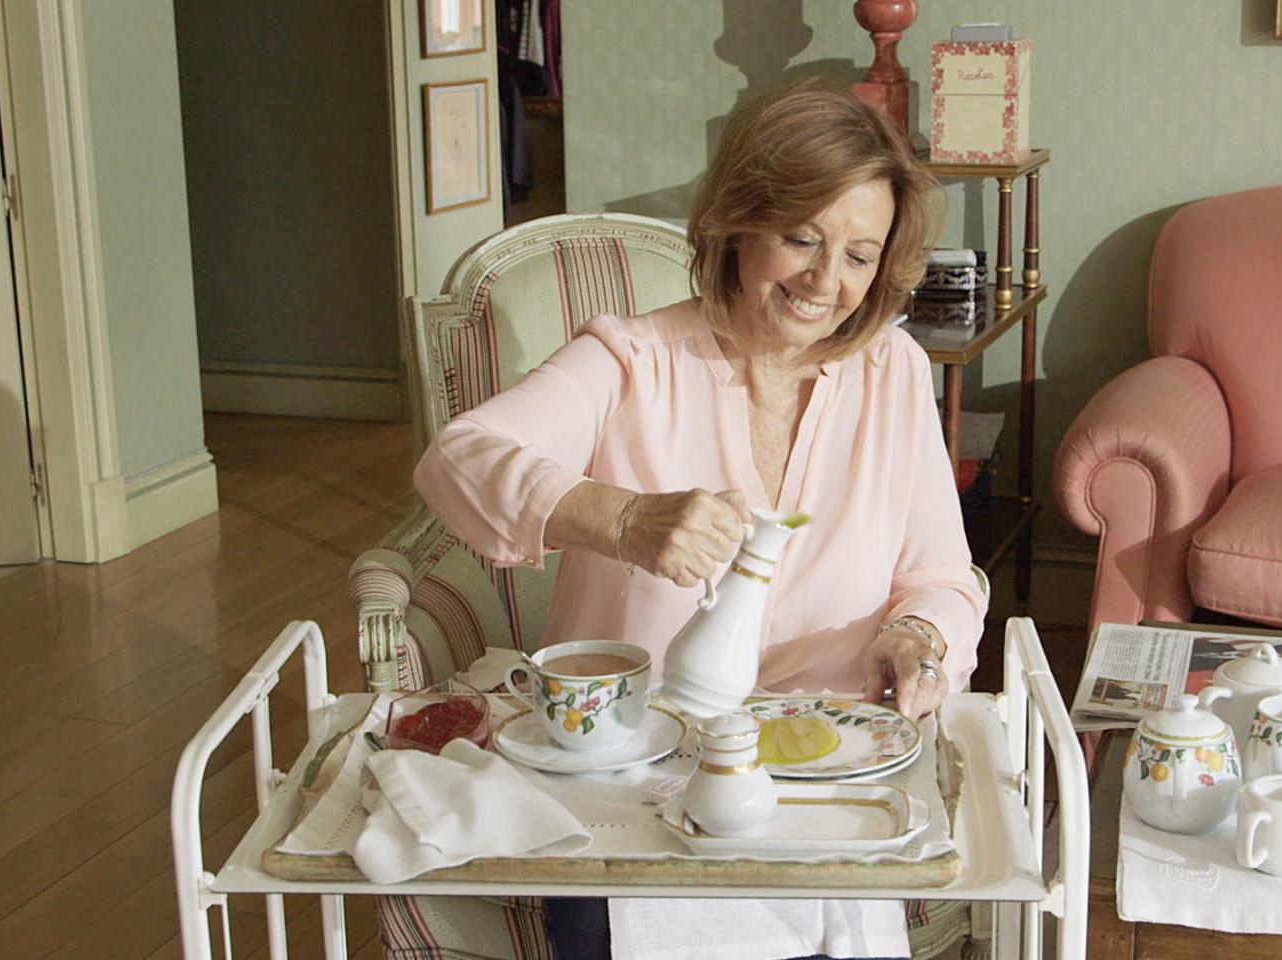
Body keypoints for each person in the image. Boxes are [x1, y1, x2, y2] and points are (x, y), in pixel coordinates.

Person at [413, 79, 987, 960]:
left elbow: (942, 578)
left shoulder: (893, 374)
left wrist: (919, 637)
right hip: (633, 797)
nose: (826, 283)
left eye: (860, 254)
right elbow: (459, 458)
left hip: (827, 786)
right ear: (737, 222)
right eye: (801, 238)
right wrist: (622, 517)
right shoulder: (631, 361)